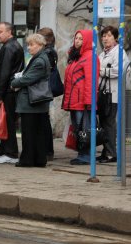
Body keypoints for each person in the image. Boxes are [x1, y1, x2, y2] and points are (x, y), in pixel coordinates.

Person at [10, 34, 52, 167]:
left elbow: (28, 79)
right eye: (28, 44)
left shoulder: (39, 60)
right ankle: (38, 159)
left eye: (32, 45)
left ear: (40, 45)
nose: (29, 47)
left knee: (29, 132)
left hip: (32, 101)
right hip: (35, 102)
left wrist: (14, 82)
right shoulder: (39, 58)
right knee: (36, 132)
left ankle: (27, 159)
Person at [62, 29, 99, 165]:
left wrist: (89, 101)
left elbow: (91, 81)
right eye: (76, 38)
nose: (77, 41)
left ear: (87, 41)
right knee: (79, 129)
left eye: (80, 39)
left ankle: (86, 155)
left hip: (82, 101)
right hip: (74, 100)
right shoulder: (76, 56)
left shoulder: (90, 56)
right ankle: (82, 154)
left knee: (85, 129)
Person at [97, 25, 130, 163]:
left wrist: (102, 71)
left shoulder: (119, 52)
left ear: (115, 38)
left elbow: (120, 70)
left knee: (109, 123)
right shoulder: (102, 53)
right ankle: (106, 151)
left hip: (114, 93)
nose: (105, 38)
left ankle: (111, 154)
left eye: (109, 35)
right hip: (104, 93)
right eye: (104, 36)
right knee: (104, 122)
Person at [0, 22, 24, 160]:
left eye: (0, 32)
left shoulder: (9, 47)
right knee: (7, 121)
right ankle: (4, 150)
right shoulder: (13, 45)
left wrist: (0, 95)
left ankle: (10, 152)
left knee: (8, 122)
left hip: (8, 91)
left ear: (9, 32)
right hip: (11, 90)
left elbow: (4, 73)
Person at [37, 27, 58, 161]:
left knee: (44, 120)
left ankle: (47, 150)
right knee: (44, 119)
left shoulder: (48, 52)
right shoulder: (49, 51)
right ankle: (47, 149)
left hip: (44, 89)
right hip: (45, 89)